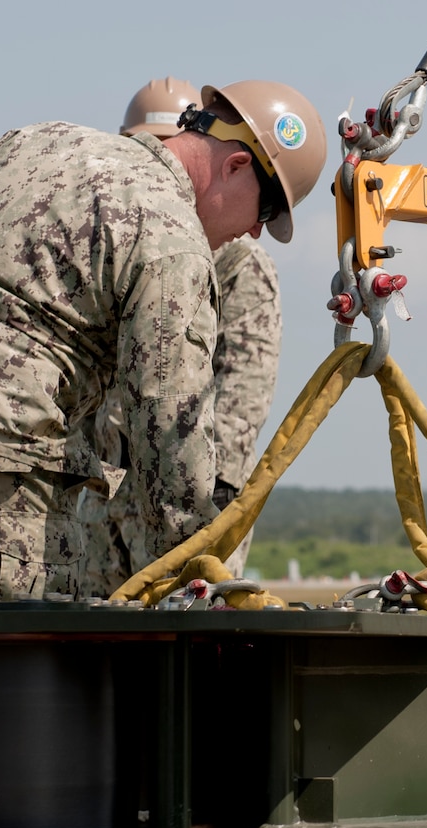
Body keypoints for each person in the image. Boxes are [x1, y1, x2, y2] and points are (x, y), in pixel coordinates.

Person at [0, 81, 324, 609]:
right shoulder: (174, 240)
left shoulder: (45, 140)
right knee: (25, 667)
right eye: (265, 212)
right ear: (235, 165)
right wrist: (195, 563)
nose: (256, 233)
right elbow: (170, 420)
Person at [72, 77, 283, 597]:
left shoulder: (236, 260)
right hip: (106, 484)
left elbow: (247, 378)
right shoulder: (119, 229)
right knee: (98, 638)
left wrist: (219, 492)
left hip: (187, 485)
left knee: (185, 643)